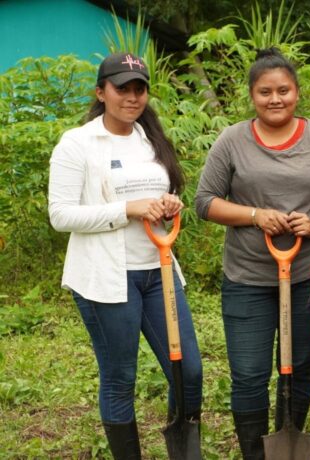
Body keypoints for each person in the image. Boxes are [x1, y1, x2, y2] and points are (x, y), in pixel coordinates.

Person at [194, 47, 310, 459]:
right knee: (248, 375)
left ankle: (289, 447)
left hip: (308, 278)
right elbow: (205, 202)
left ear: (297, 92)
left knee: (298, 369)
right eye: (265, 92)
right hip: (247, 279)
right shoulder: (232, 141)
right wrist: (254, 215)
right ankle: (254, 454)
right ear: (252, 95)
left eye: (284, 90)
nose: (275, 99)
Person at [48, 52, 203, 458]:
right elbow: (60, 215)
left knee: (189, 370)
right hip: (106, 278)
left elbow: (161, 195)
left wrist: (167, 205)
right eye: (122, 88)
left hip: (159, 270)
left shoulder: (150, 139)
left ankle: (182, 452)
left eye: (140, 88)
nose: (132, 97)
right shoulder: (78, 143)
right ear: (101, 92)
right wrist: (128, 210)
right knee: (120, 377)